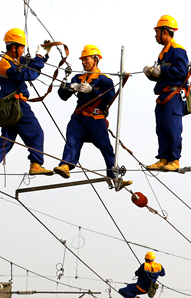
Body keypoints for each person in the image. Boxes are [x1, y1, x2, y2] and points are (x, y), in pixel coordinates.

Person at [53, 45, 132, 190]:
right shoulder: (77, 78)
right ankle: (65, 165)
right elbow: (62, 96)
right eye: (82, 60)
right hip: (80, 117)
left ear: (95, 60)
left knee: (106, 147)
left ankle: (114, 176)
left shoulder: (104, 80)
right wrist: (70, 88)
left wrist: (92, 90)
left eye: (86, 59)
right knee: (72, 138)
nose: (83, 62)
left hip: (96, 118)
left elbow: (109, 97)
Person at [0, 28, 52, 178]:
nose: (24, 49)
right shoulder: (6, 64)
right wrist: (39, 57)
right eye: (22, 47)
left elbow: (29, 64)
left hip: (8, 107)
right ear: (14, 47)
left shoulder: (14, 61)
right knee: (37, 134)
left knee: (8, 138)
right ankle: (36, 164)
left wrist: (43, 56)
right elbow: (29, 74)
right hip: (16, 105)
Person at [144, 15, 189, 173]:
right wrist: (151, 74)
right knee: (161, 128)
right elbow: (164, 76)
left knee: (172, 127)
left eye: (157, 32)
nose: (155, 35)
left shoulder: (177, 50)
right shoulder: (163, 53)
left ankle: (174, 160)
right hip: (163, 96)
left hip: (173, 96)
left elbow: (181, 72)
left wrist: (161, 70)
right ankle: (163, 158)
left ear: (165, 32)